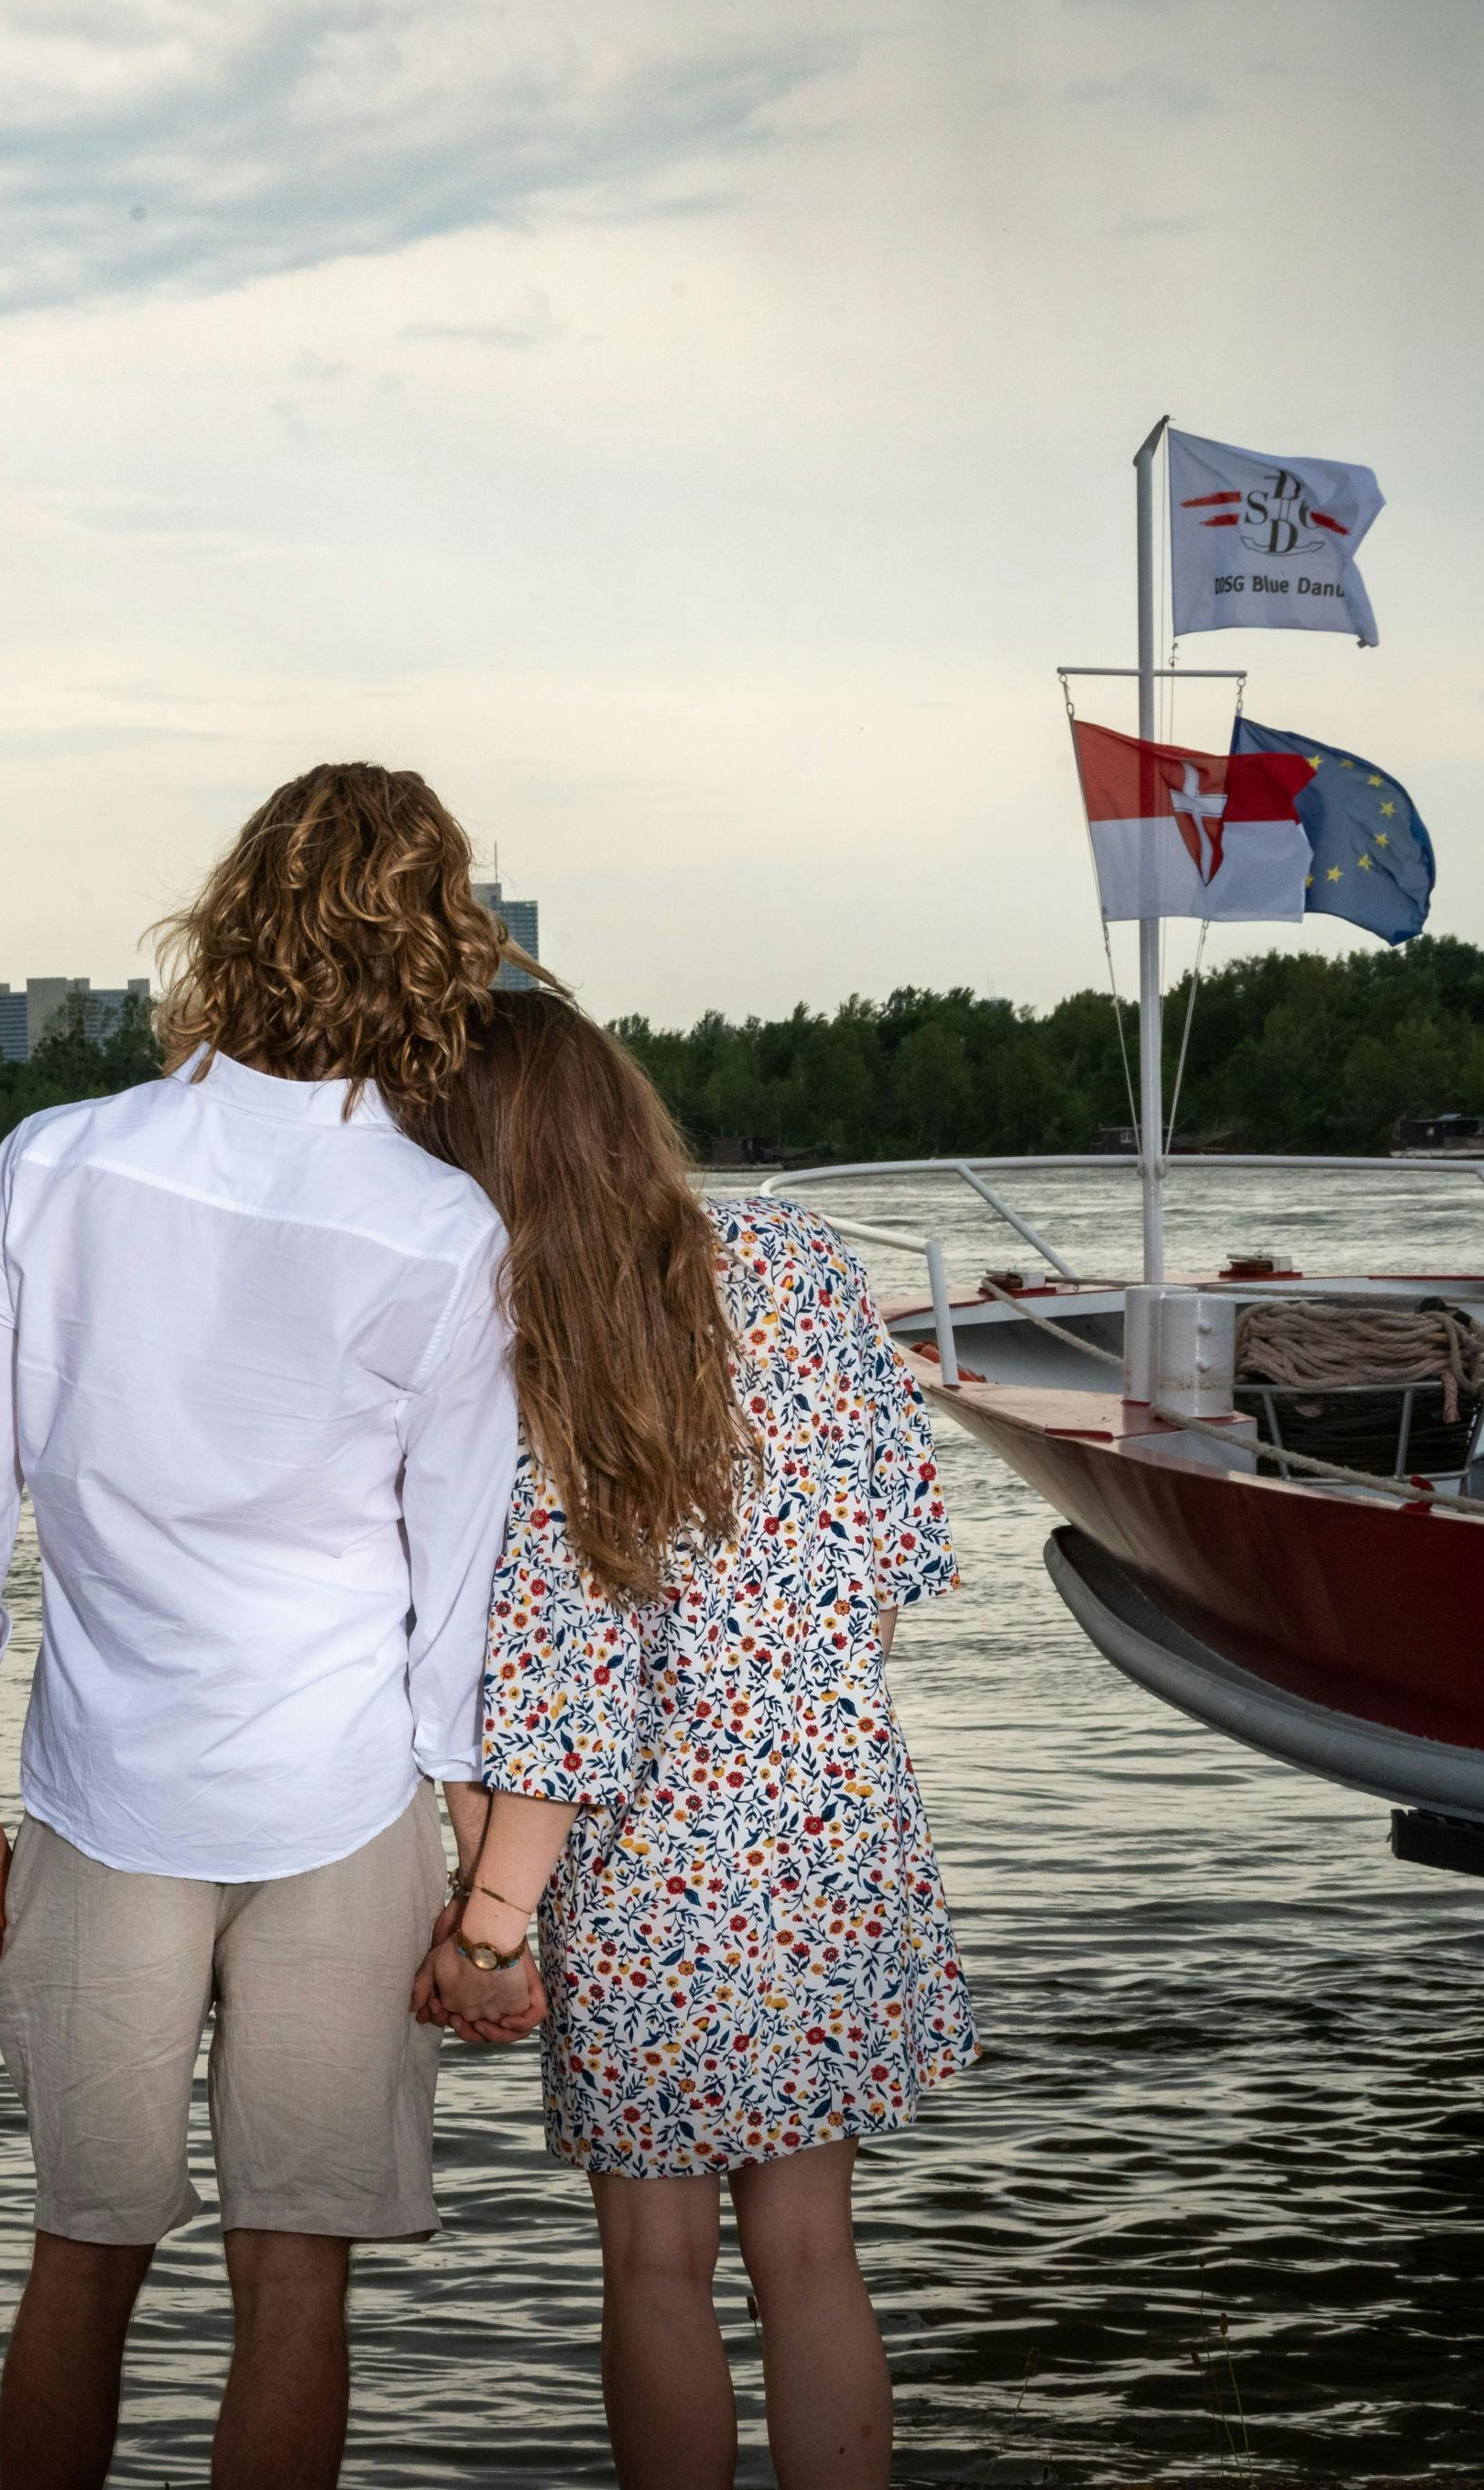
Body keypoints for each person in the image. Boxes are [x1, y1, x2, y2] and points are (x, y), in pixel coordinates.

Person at [0, 761, 524, 2490]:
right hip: (347, 1802)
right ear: (438, 953)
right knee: (292, 2272)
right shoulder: (449, 1233)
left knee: (85, 2248)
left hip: (104, 1797)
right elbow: (457, 1600)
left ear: (230, 917)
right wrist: (487, 1895)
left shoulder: (51, 1164)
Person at [403, 988, 975, 2490]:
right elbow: (887, 1554)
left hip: (650, 1877)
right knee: (813, 2246)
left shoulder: (540, 1353)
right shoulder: (796, 1260)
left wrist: (491, 1927)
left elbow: (560, 1692)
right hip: (842, 1819)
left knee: (657, 2261)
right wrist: (800, 1715)